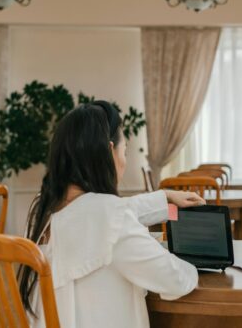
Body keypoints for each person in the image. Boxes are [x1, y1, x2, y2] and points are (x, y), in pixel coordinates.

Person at [19, 100, 205, 327]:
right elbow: (174, 280)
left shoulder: (41, 208)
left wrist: (164, 196)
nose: (124, 161)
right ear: (109, 151)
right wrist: (195, 265)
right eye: (124, 150)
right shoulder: (107, 214)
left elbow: (99, 213)